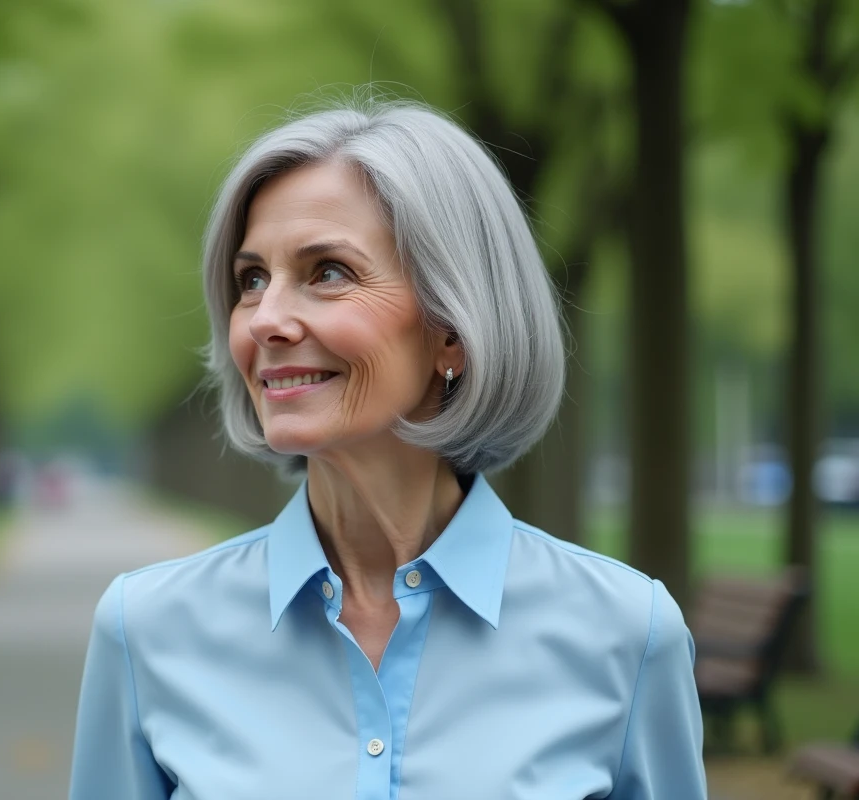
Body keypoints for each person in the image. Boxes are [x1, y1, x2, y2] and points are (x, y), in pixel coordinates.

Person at [69, 99, 706, 799]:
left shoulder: (626, 635)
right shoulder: (147, 631)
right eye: (252, 279)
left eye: (327, 272)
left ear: (452, 330)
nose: (267, 320)